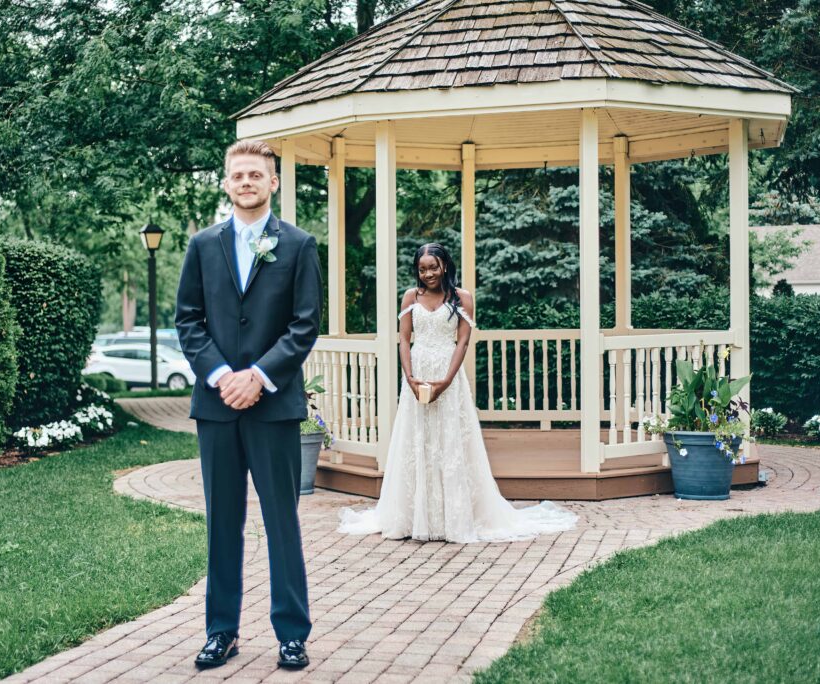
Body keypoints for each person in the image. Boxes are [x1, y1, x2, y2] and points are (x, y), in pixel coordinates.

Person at [175, 140, 321, 669]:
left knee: (282, 520)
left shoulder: (300, 245)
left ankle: (291, 632)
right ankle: (222, 631)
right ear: (226, 182)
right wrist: (220, 376)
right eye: (237, 175)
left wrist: (258, 377)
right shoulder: (202, 245)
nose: (246, 182)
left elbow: (304, 325)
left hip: (273, 406)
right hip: (216, 407)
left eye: (256, 174)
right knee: (222, 522)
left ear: (273, 182)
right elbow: (188, 320)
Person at [338, 243, 578, 543]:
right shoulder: (411, 297)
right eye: (422, 269)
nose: (428, 274)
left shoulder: (462, 298)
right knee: (417, 441)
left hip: (448, 375)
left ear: (445, 266)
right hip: (417, 374)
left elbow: (462, 343)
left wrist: (446, 381)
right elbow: (403, 338)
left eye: (433, 267)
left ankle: (453, 517)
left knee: (450, 442)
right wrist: (409, 377)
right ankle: (414, 517)